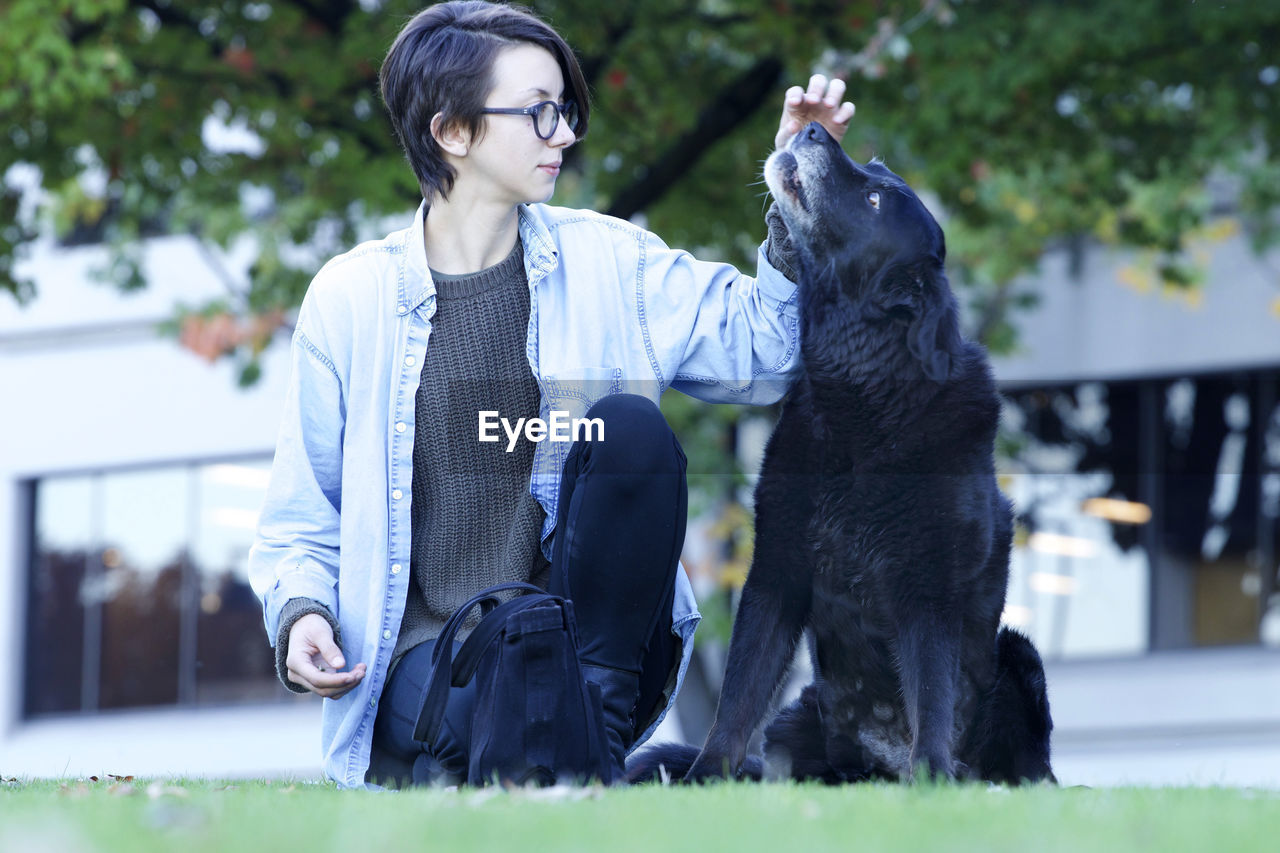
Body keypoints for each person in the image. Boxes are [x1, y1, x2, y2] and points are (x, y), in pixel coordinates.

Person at [247, 0, 855, 789]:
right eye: (538, 113)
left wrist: (797, 190)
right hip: (434, 667)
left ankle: (583, 748)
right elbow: (301, 519)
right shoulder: (349, 298)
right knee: (504, 676)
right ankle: (560, 763)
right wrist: (301, 617)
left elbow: (768, 353)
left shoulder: (610, 261)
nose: (565, 133)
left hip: (591, 658)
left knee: (629, 432)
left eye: (565, 110)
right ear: (452, 132)